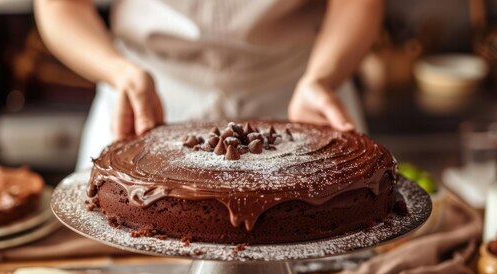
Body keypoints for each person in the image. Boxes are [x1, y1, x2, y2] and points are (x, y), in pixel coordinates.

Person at [34, 0, 382, 170]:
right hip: (146, 93)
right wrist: (117, 71)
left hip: (296, 91)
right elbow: (61, 6)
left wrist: (322, 76)